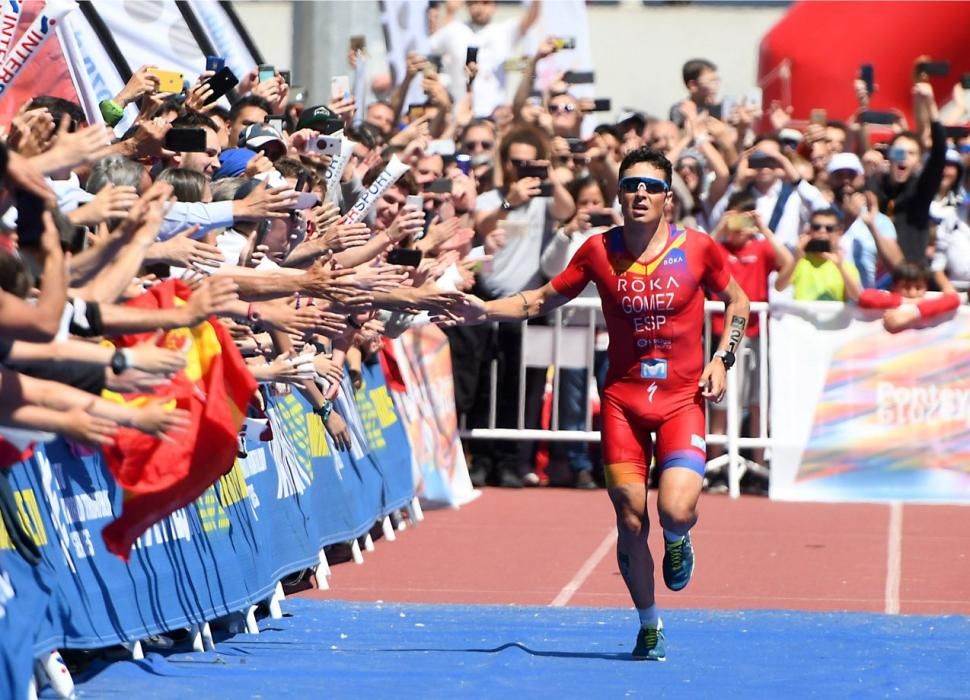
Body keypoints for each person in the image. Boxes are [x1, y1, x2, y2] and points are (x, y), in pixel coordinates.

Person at [448, 147, 750, 660]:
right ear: (618, 193)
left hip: (681, 401)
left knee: (675, 511)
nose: (639, 194)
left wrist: (723, 357)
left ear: (667, 200)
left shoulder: (698, 249)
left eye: (651, 187)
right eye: (630, 184)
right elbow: (542, 297)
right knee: (631, 519)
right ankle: (649, 623)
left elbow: (738, 301)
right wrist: (485, 311)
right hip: (623, 402)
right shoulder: (596, 250)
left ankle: (679, 539)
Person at [775, 208, 862, 302]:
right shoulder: (800, 262)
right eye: (816, 227)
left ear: (839, 232)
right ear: (810, 231)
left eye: (829, 228)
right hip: (803, 316)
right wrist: (796, 258)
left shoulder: (846, 266)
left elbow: (856, 296)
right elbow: (779, 287)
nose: (822, 231)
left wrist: (840, 267)